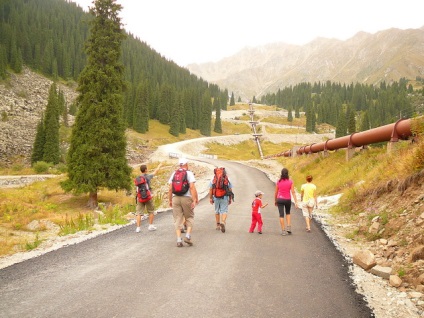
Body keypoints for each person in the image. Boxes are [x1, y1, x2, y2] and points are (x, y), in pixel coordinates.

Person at [168, 158, 199, 247]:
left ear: (179, 165)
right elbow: (192, 187)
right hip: (186, 197)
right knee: (189, 217)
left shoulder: (174, 173)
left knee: (178, 218)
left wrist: (170, 200)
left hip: (175, 198)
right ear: (186, 164)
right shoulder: (189, 173)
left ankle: (178, 239)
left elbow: (170, 188)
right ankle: (188, 236)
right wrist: (194, 199)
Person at [135, 162, 162, 233]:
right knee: (151, 211)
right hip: (148, 196)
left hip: (140, 197)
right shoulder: (148, 177)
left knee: (138, 213)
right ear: (146, 170)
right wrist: (159, 165)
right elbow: (155, 172)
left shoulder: (138, 178)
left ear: (141, 170)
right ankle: (150, 225)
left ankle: (138, 228)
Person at [274, 168, 298, 236]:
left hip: (280, 199)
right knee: (288, 213)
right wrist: (296, 201)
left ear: (281, 173)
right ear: (287, 174)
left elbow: (276, 192)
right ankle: (289, 228)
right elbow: (293, 192)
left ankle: (283, 231)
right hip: (288, 199)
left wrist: (275, 200)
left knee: (281, 215)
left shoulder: (278, 182)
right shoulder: (291, 182)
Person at [209, 169, 233, 233]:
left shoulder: (213, 178)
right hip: (224, 196)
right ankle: (223, 222)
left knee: (217, 210)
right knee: (224, 210)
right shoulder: (227, 179)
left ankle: (218, 225)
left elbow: (210, 189)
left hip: (216, 197)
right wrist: (230, 198)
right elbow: (230, 189)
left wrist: (211, 198)